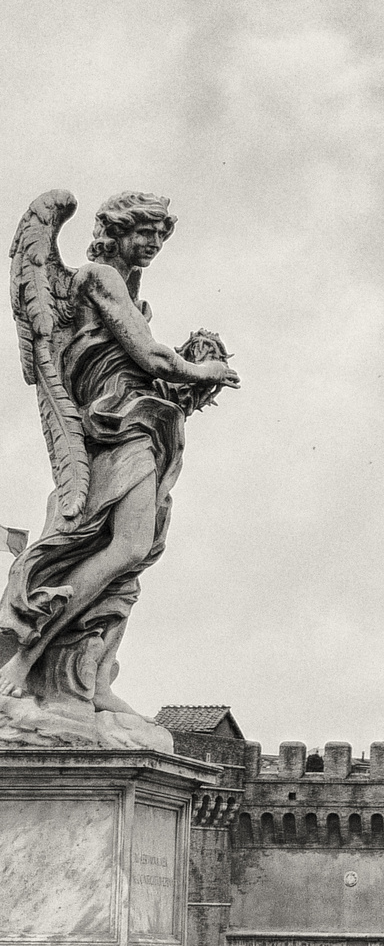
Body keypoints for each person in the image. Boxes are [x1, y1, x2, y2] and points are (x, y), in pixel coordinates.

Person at [2, 192, 237, 729]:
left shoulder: (127, 290)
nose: (152, 245)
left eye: (160, 236)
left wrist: (182, 386)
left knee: (133, 559)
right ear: (115, 231)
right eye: (143, 234)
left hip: (143, 423)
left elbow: (141, 366)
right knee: (125, 545)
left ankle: (92, 678)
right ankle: (24, 660)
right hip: (117, 425)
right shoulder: (98, 279)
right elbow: (146, 356)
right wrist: (206, 371)